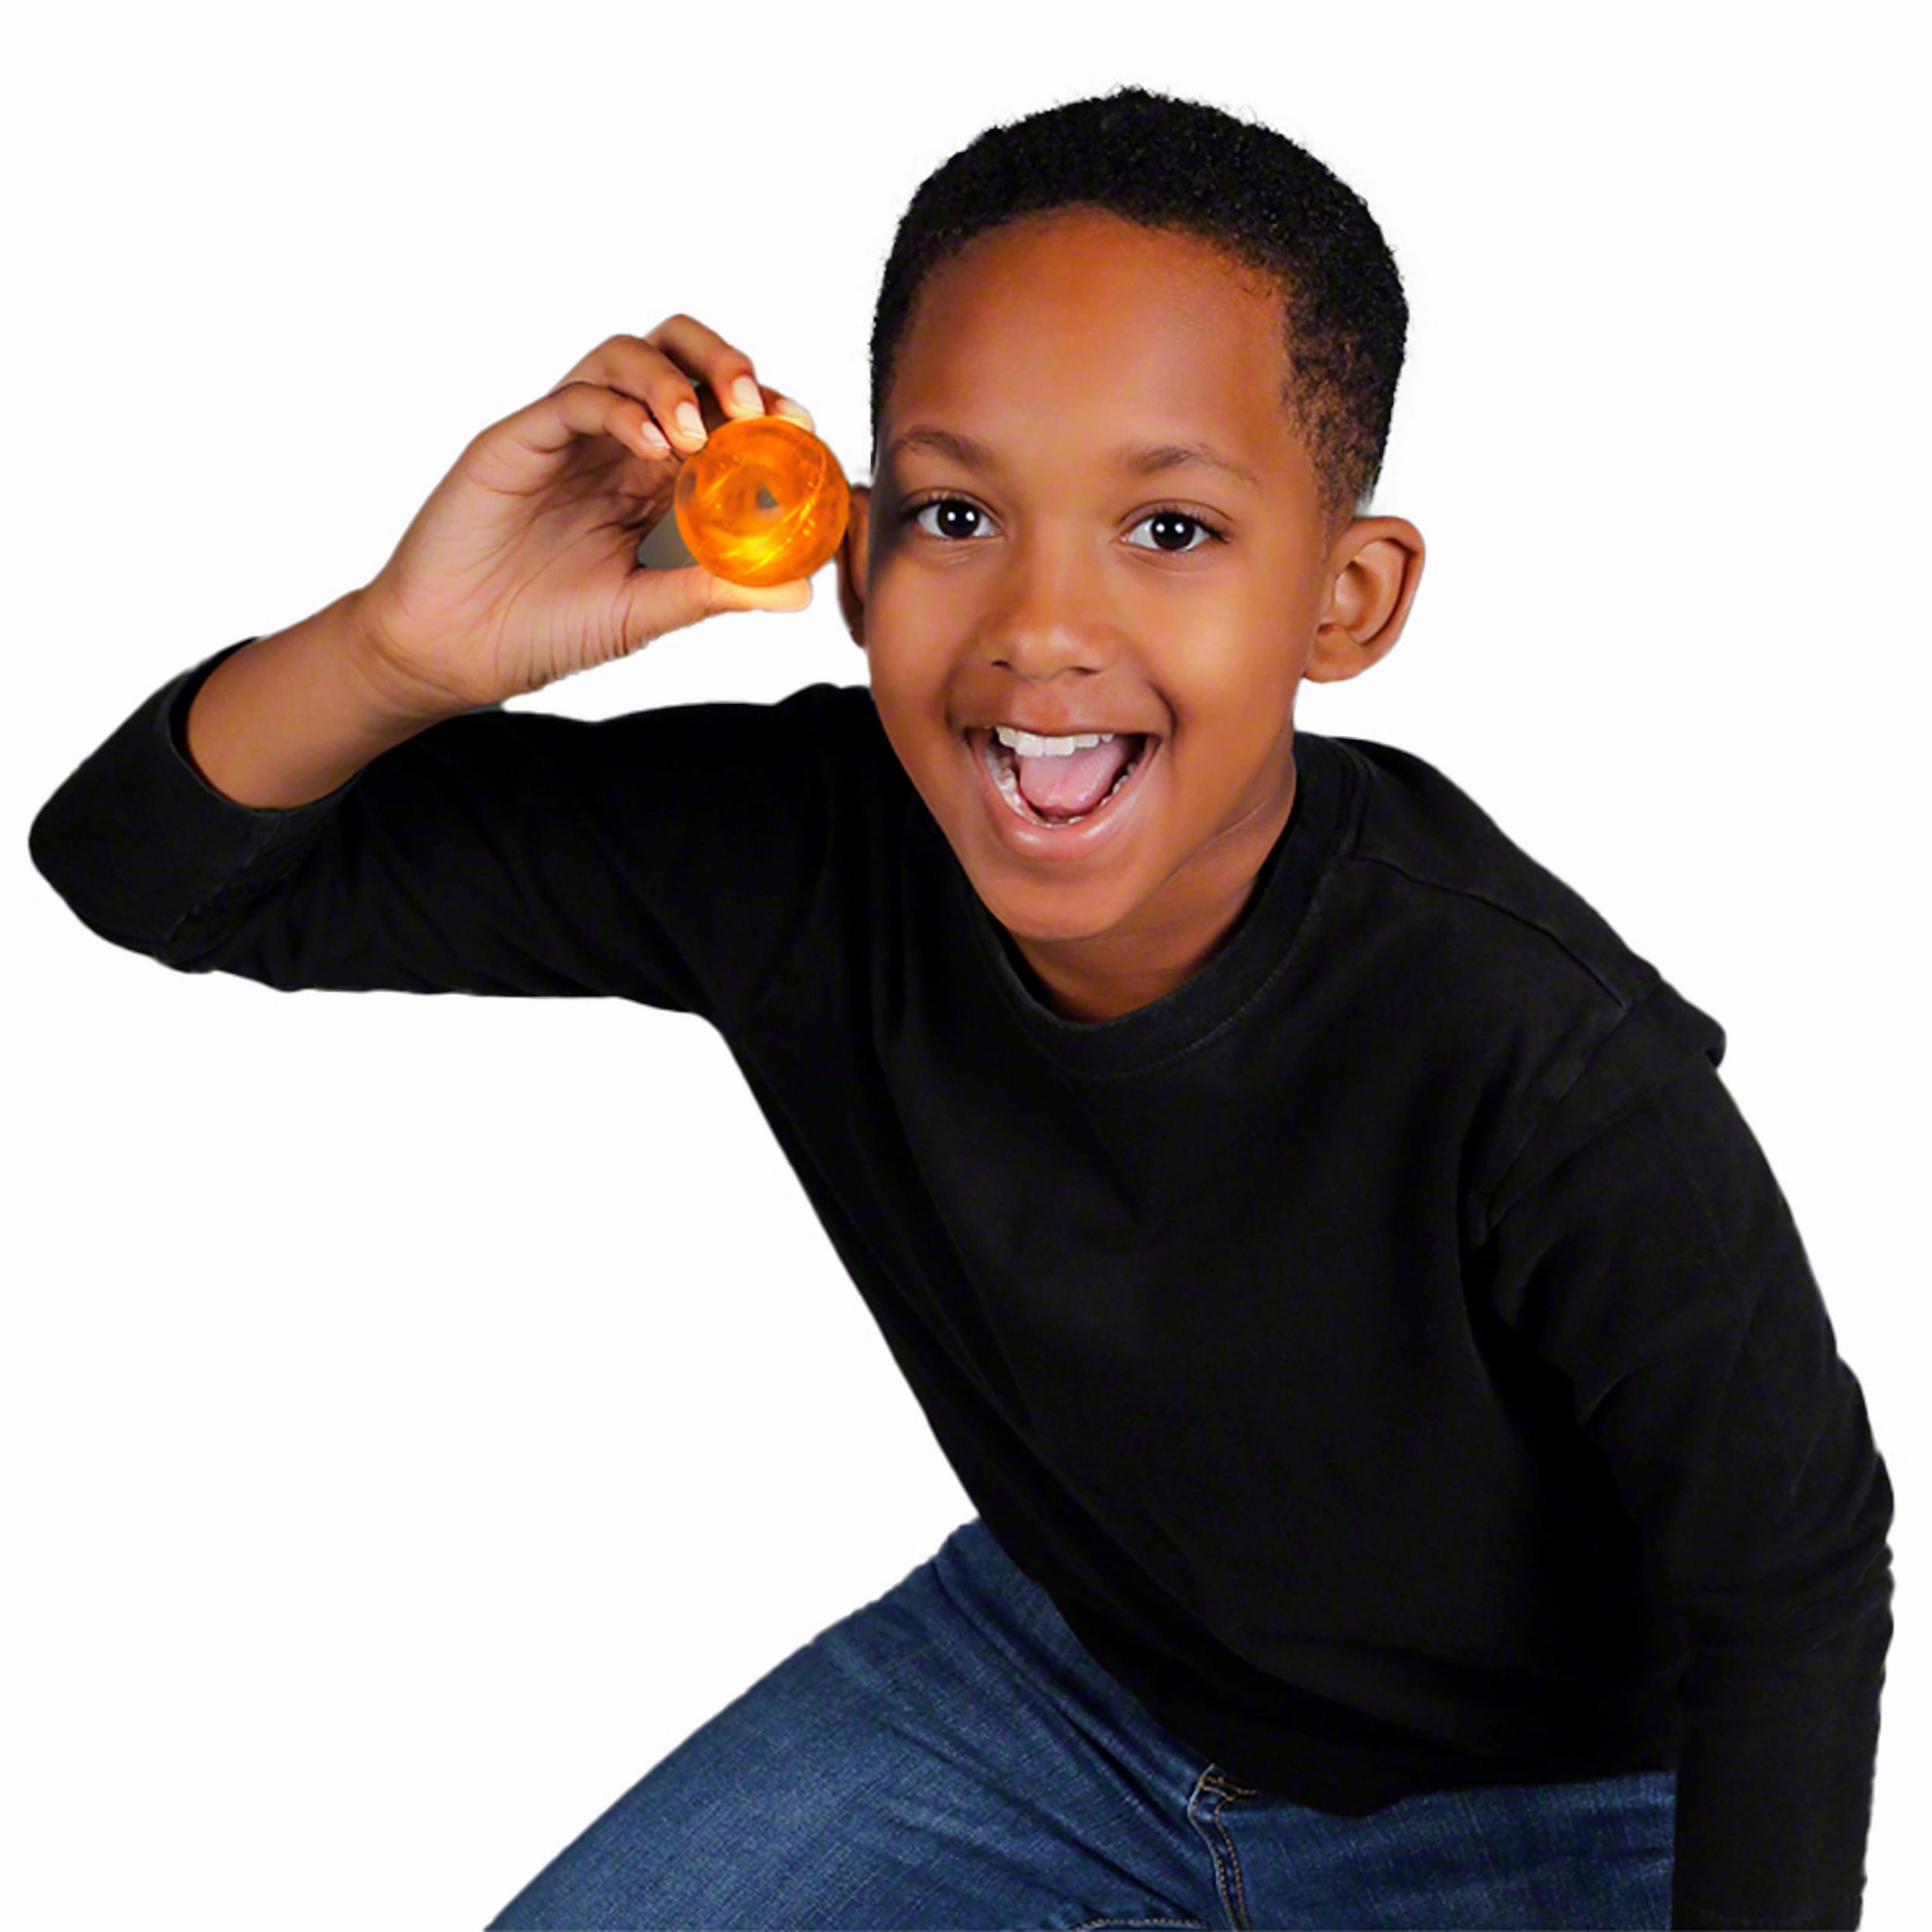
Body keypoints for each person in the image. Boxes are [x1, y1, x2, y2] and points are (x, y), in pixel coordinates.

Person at [26, 85, 1891, 1932]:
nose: (1038, 624)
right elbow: (152, 865)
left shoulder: (1537, 1047)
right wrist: (399, 646)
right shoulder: (804, 847)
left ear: (1345, 597)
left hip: (1532, 1797)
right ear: (850, 560)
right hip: (1061, 1683)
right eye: (954, 510)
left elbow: (1787, 1575)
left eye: (1169, 528)